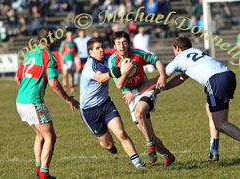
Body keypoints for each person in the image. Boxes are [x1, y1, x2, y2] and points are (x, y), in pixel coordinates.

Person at [164, 36, 240, 163]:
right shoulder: (197, 52)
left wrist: (150, 89)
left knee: (221, 123)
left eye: (174, 50)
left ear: (177, 48)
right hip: (228, 75)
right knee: (210, 108)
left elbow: (164, 76)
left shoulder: (179, 58)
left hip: (215, 81)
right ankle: (214, 151)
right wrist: (165, 88)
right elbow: (182, 78)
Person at [15, 28, 79, 179]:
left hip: (20, 102)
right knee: (51, 137)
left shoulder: (28, 54)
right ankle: (44, 175)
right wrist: (67, 99)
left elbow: (18, 78)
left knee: (41, 136)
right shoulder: (48, 55)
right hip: (33, 102)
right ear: (51, 41)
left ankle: (39, 172)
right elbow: (53, 82)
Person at [108, 31, 175, 166]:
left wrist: (162, 75)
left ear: (129, 43)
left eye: (124, 42)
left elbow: (156, 60)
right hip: (130, 97)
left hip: (146, 90)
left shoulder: (137, 54)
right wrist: (126, 71)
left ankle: (150, 148)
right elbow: (119, 85)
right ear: (114, 46)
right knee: (148, 133)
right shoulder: (112, 62)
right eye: (118, 43)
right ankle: (167, 156)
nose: (122, 46)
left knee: (140, 113)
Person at [80, 38, 145, 168]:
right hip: (89, 111)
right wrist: (111, 73)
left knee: (121, 133)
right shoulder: (89, 66)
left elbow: (121, 59)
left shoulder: (108, 59)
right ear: (90, 52)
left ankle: (138, 163)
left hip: (106, 105)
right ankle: (108, 146)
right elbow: (99, 78)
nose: (101, 50)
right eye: (97, 48)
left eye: (102, 47)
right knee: (108, 144)